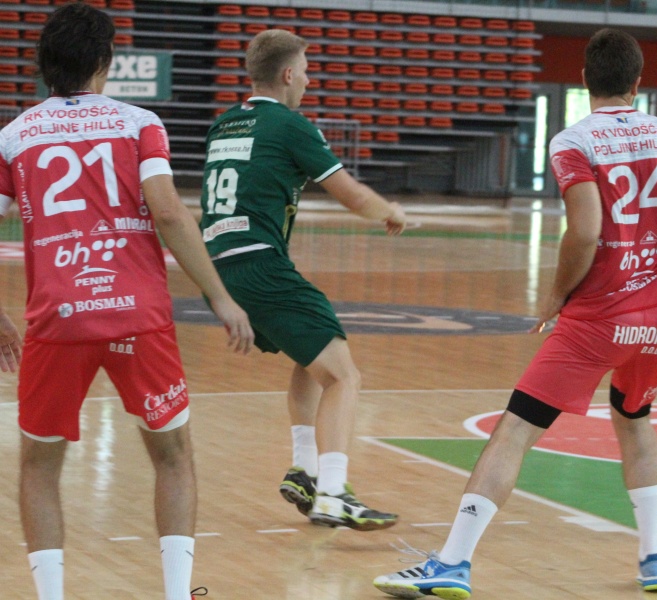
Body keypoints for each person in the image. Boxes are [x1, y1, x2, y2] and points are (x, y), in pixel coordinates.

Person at [374, 28, 657, 597]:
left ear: (584, 79)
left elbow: (585, 231)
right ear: (637, 83)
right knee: (634, 421)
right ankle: (655, 557)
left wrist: (557, 295)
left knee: (514, 430)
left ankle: (453, 562)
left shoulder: (574, 141)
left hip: (598, 319)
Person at [0, 4, 254, 600]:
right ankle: (176, 593)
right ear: (104, 63)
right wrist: (220, 297)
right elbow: (168, 213)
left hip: (57, 319)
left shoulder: (13, 137)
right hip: (137, 316)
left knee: (39, 465)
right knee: (172, 455)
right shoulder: (139, 123)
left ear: (44, 65)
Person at [198, 29, 406, 531]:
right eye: (307, 72)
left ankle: (304, 470)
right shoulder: (290, 125)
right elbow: (353, 196)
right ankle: (334, 495)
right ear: (289, 74)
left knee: (313, 356)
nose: (310, 81)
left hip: (217, 266)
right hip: (260, 264)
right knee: (344, 376)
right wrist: (391, 211)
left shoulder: (224, 124)